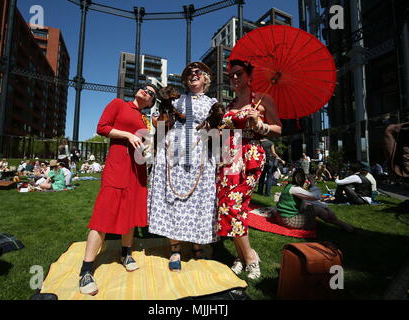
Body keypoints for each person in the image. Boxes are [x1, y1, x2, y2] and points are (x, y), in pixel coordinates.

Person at [79, 84, 157, 296]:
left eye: (151, 93)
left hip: (137, 169)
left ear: (150, 103)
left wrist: (149, 145)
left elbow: (146, 144)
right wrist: (127, 135)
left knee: (131, 212)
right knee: (103, 214)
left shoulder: (145, 120)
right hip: (117, 166)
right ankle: (86, 270)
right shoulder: (118, 104)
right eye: (144, 88)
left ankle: (126, 253)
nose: (146, 92)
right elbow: (102, 127)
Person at [148, 62, 219, 272]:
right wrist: (165, 113)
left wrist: (213, 127)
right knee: (174, 198)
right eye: (189, 73)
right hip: (174, 151)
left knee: (198, 199)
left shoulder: (213, 102)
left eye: (198, 72)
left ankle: (197, 244)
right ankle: (175, 248)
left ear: (206, 79)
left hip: (200, 152)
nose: (193, 74)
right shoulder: (176, 99)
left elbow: (217, 132)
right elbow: (159, 124)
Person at [216, 59, 282, 279]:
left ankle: (251, 258)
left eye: (239, 74)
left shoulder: (263, 99)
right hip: (228, 157)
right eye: (230, 76)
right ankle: (242, 256)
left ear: (249, 76)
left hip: (250, 156)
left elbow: (278, 129)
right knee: (229, 206)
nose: (234, 78)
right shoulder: (230, 104)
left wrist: (260, 124)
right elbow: (225, 132)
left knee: (233, 205)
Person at [274, 169, 354, 232]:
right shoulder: (295, 189)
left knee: (314, 207)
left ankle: (341, 224)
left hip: (281, 218)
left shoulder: (290, 186)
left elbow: (311, 201)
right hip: (287, 221)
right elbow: (315, 197)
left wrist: (327, 208)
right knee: (316, 209)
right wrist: (313, 185)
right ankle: (342, 224)